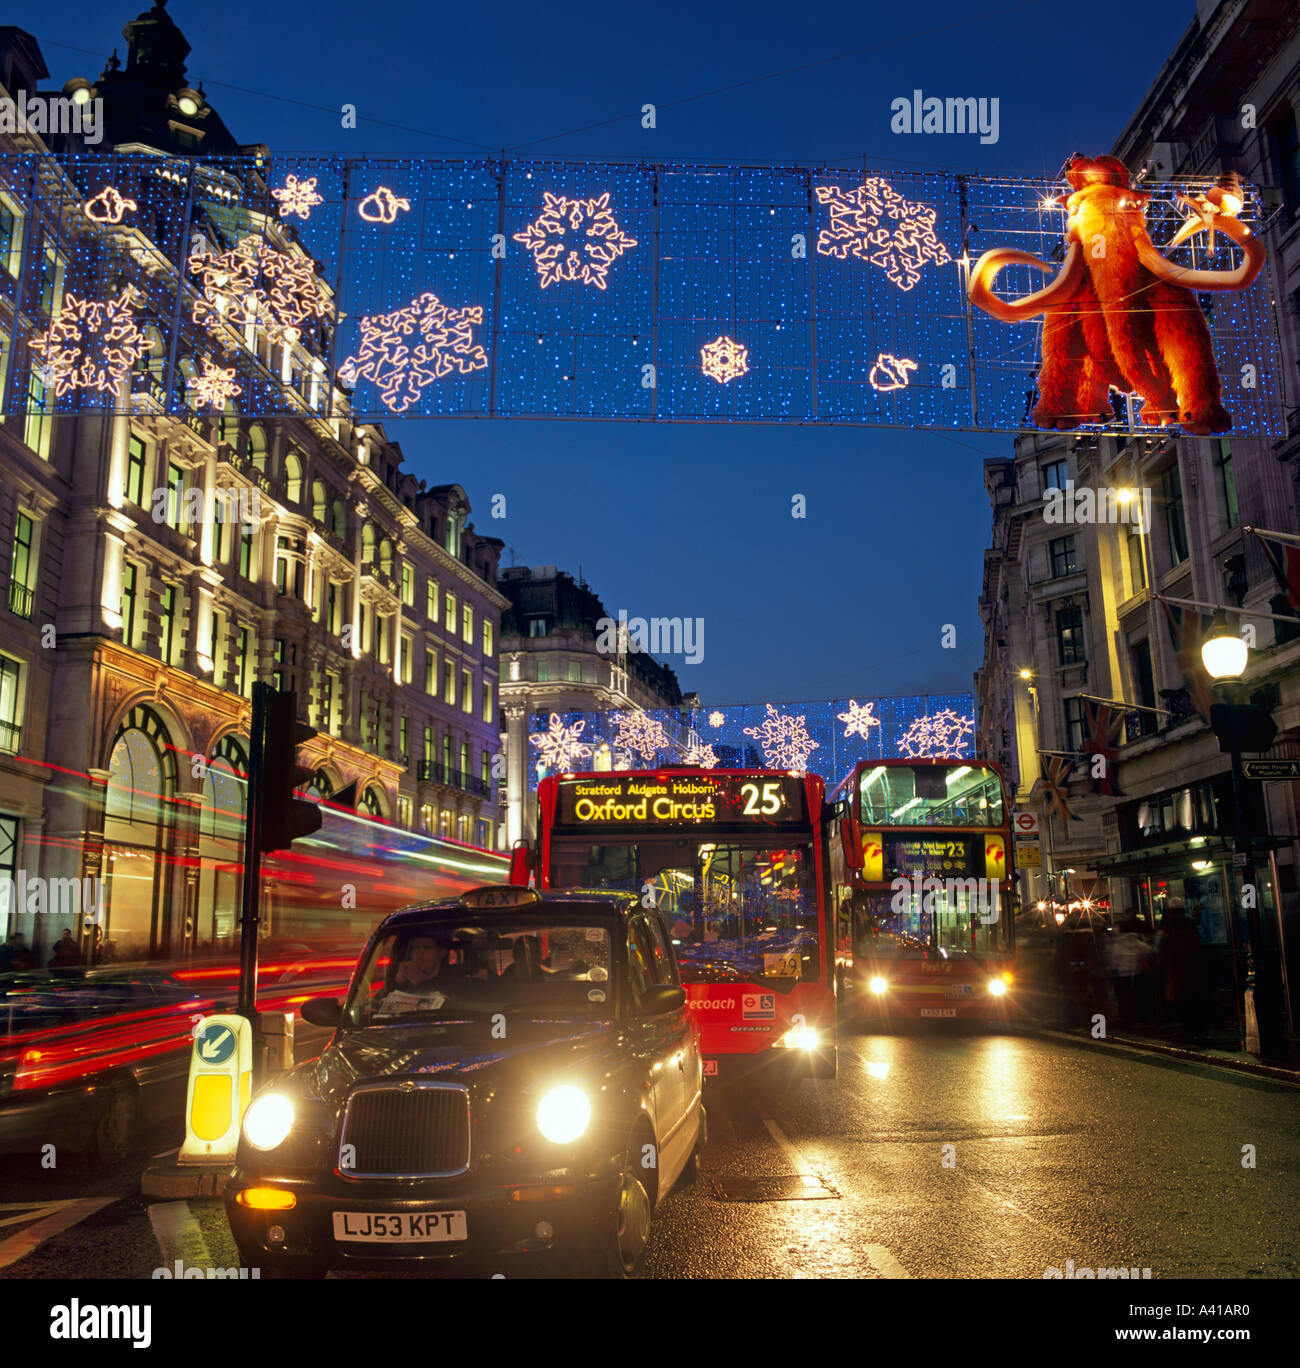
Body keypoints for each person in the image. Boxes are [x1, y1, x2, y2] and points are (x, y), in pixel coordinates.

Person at [1158, 899, 1209, 1044]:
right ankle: (1198, 1030)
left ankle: (1187, 1030)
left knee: (1182, 1002)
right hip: (1193, 967)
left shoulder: (1168, 924)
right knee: (1194, 1000)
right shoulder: (1189, 923)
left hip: (1177, 968)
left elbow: (1165, 949)